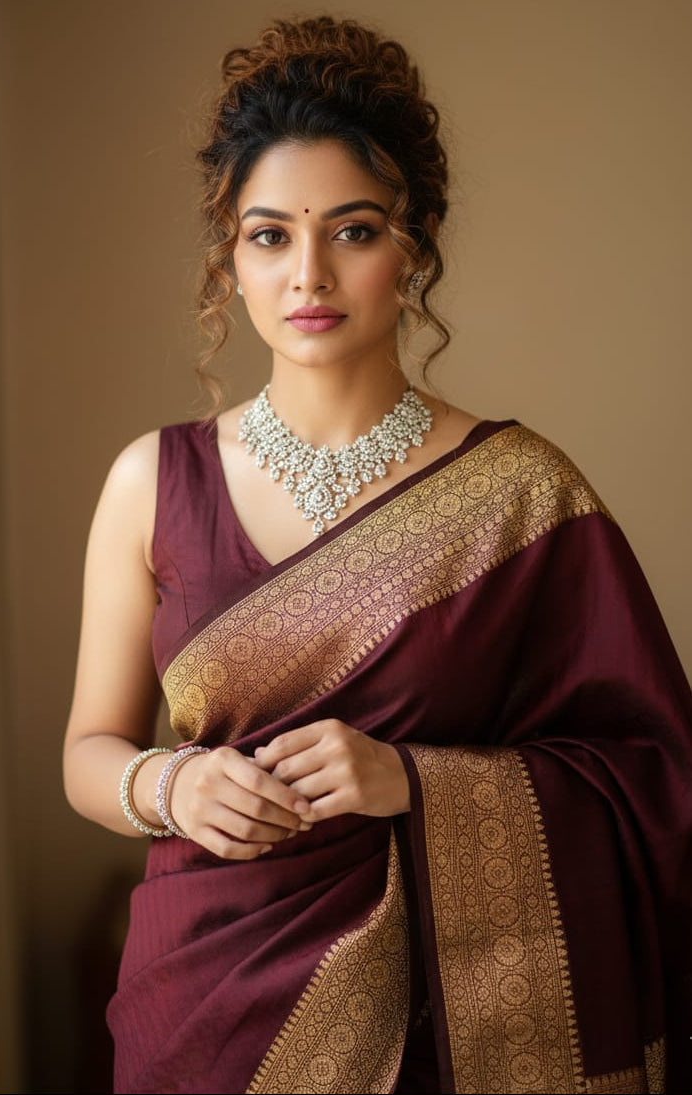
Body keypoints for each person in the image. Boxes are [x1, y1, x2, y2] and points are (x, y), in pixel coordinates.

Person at [62, 15, 692, 1095]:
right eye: (269, 236)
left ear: (416, 243)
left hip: (448, 1024)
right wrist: (173, 784)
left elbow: (657, 779)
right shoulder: (150, 481)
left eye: (352, 231)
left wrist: (411, 779)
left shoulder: (520, 494)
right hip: (202, 1002)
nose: (308, 274)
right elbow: (88, 750)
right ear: (231, 259)